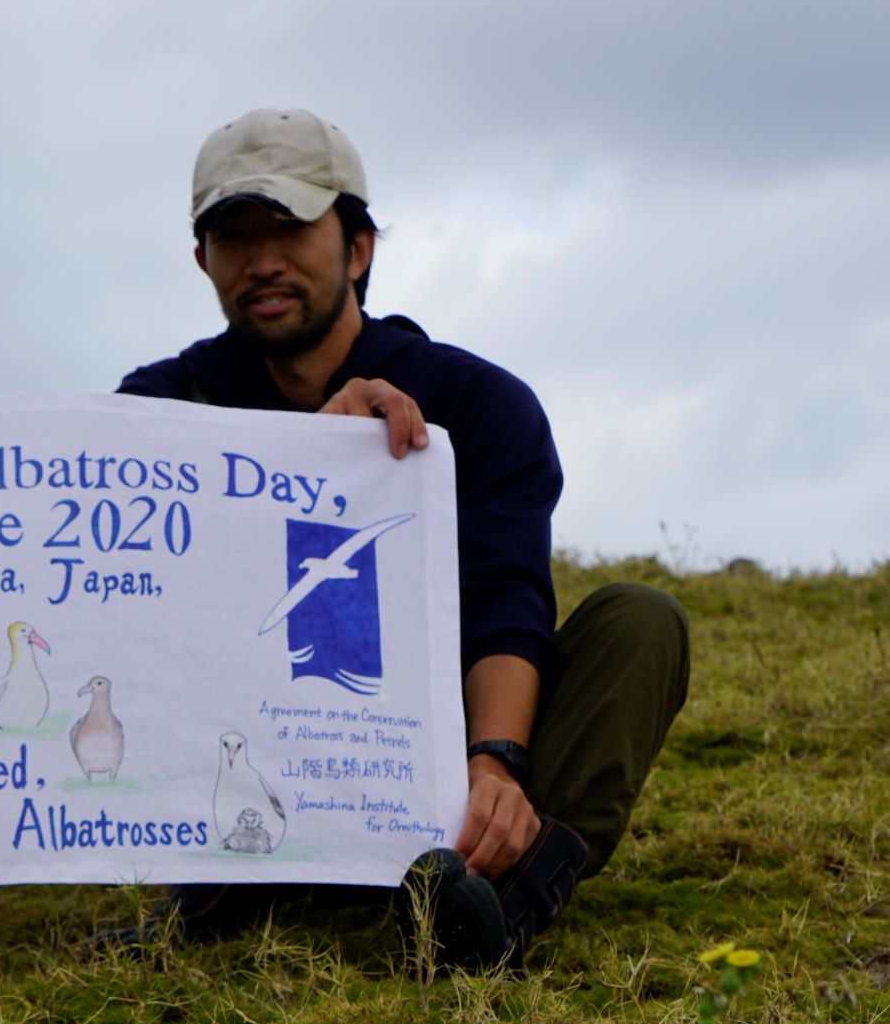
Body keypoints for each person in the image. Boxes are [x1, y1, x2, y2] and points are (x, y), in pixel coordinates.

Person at [116, 107, 690, 966]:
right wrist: (323, 455)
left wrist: (494, 763)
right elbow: (150, 616)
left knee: (639, 622)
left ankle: (489, 901)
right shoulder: (160, 412)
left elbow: (505, 599)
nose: (262, 260)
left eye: (289, 227)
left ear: (358, 247)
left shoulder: (483, 403)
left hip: (442, 757)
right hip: (258, 754)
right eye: (233, 235)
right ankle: (232, 884)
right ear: (203, 262)